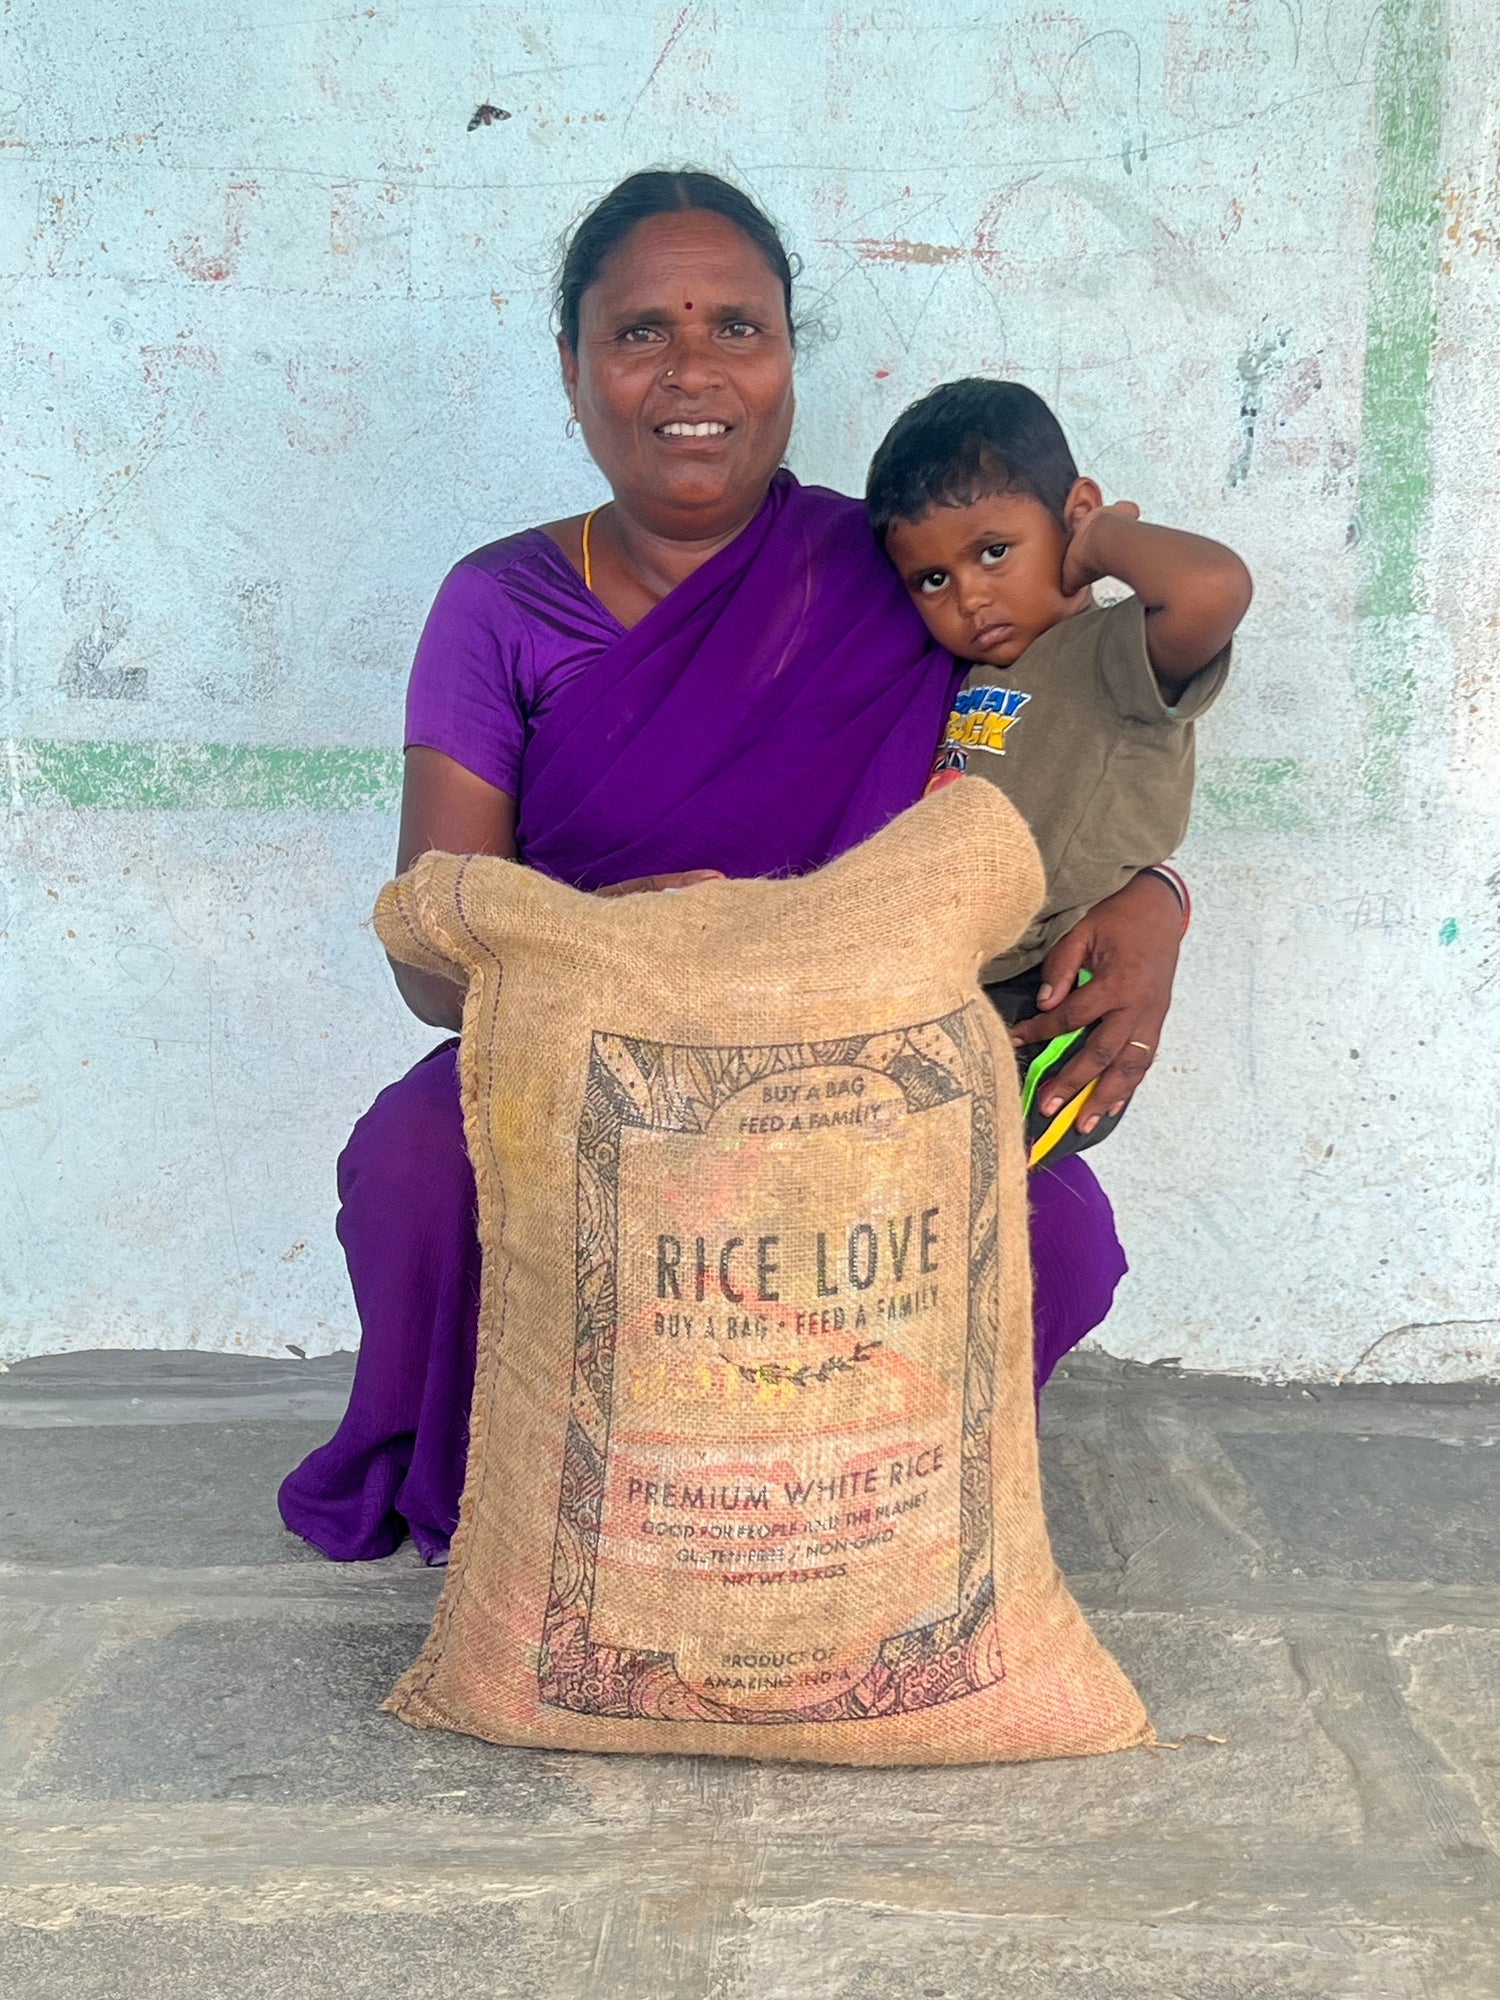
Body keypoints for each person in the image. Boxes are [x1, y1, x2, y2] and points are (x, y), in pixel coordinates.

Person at [278, 170, 1190, 1564]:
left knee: (1048, 1226)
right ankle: (552, 1508)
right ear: (573, 366)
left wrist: (1156, 899)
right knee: (416, 1166)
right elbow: (428, 951)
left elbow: (1078, 743)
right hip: (585, 1053)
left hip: (856, 1057)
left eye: (738, 329)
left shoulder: (895, 566)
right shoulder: (498, 604)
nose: (690, 372)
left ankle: (830, 1509)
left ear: (786, 360)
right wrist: (633, 964)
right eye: (640, 332)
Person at [867, 377, 1252, 1163]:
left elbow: (1213, 589)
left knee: (965, 1169)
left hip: (1052, 982)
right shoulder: (972, 674)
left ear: (1072, 512)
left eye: (993, 552)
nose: (971, 596)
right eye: (933, 580)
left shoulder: (1112, 651)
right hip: (962, 976)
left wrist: (1100, 540)